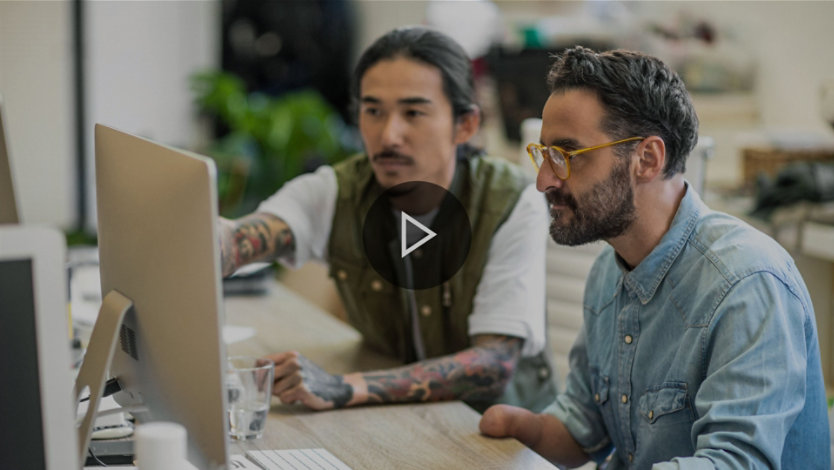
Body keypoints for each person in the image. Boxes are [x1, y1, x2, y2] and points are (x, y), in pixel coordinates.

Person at [479, 46, 830, 468]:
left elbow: (735, 463)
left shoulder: (747, 283)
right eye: (544, 156)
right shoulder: (608, 274)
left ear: (647, 159)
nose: (544, 180)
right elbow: (581, 429)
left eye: (566, 156)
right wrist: (517, 427)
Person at [219, 26, 557, 413]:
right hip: (398, 419)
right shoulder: (338, 191)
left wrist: (343, 388)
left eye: (413, 112)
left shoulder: (512, 202)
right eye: (373, 111)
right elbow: (241, 237)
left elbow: (494, 364)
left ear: (465, 124)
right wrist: (210, 238)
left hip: (503, 435)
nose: (388, 135)